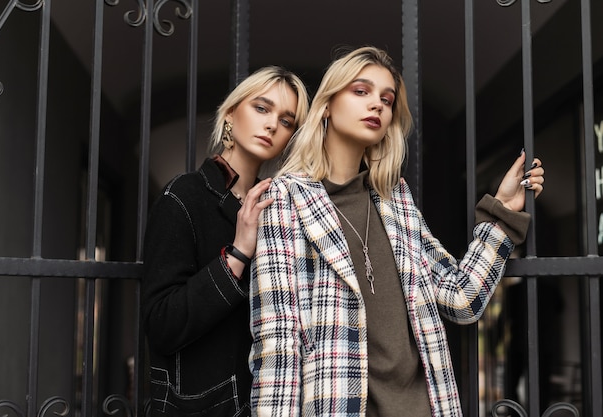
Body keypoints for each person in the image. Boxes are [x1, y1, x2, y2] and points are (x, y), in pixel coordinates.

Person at [248, 46, 544, 416]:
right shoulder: (286, 198)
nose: (377, 105)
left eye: (386, 100)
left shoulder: (395, 201)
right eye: (361, 91)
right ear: (327, 104)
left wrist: (501, 215)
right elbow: (279, 343)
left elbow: (460, 298)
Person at [142, 66, 309, 416]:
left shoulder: (280, 209)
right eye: (261, 108)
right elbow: (161, 325)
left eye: (287, 120)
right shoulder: (183, 196)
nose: (272, 125)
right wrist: (237, 254)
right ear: (231, 113)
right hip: (204, 406)